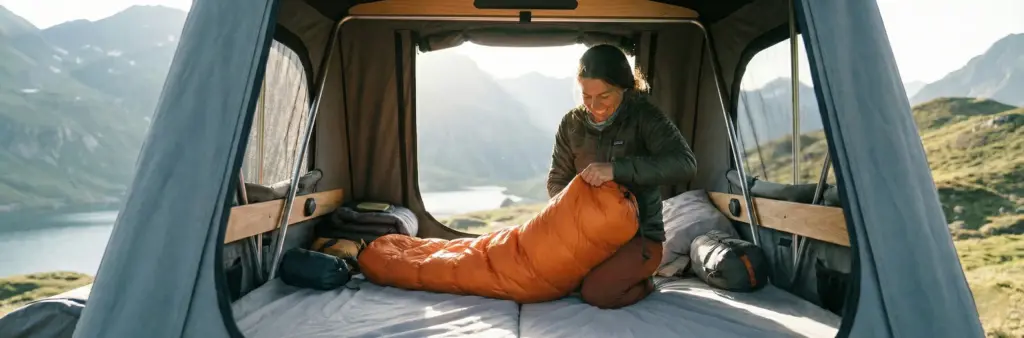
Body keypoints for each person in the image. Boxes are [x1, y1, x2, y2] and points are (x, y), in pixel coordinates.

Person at [547, 44, 697, 309]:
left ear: (625, 87)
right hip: (588, 236)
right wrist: (578, 206)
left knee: (598, 294)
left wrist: (617, 169)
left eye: (604, 96)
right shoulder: (571, 124)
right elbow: (556, 180)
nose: (595, 106)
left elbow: (685, 164)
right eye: (586, 96)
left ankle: (646, 282)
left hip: (640, 239)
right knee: (547, 280)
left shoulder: (644, 116)